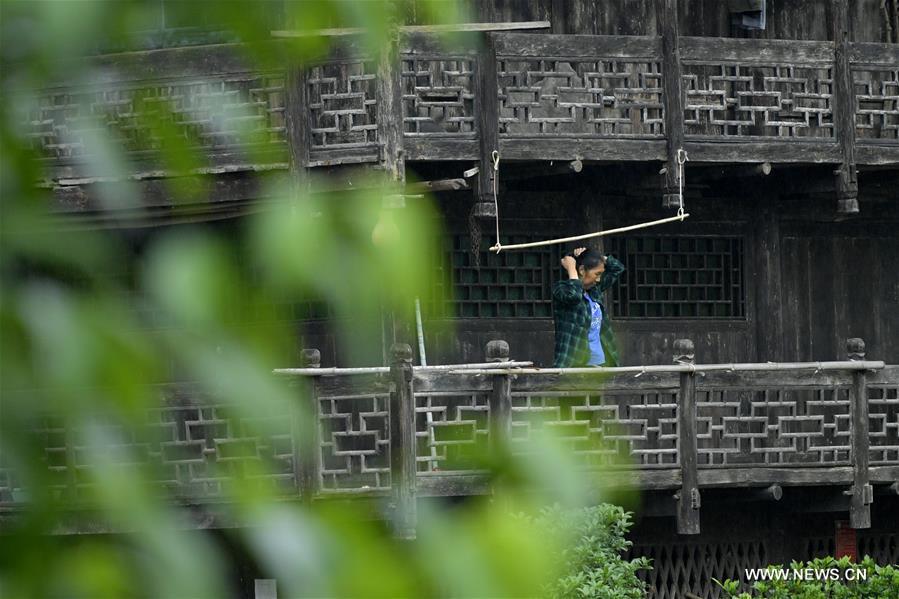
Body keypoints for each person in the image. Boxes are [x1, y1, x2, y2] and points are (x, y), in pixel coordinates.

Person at [552, 246, 625, 367]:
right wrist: (571, 267)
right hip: (574, 365)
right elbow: (574, 296)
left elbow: (617, 268)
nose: (599, 279)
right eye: (597, 274)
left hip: (602, 363)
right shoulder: (561, 289)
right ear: (582, 270)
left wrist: (592, 255)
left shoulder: (594, 290)